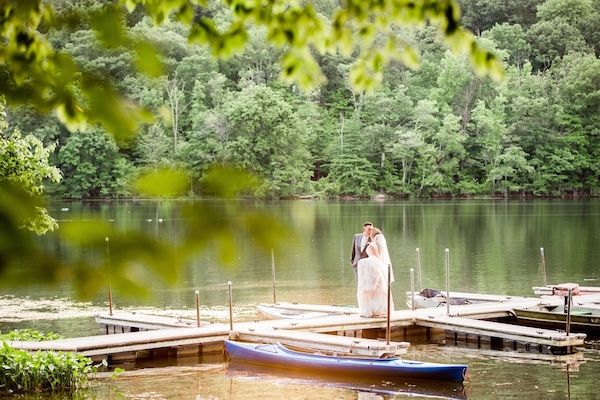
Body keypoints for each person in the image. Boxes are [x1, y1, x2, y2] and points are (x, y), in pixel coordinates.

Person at [356, 227, 395, 317]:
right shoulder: (376, 245)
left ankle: (374, 310)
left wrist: (362, 262)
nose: (369, 233)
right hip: (377, 268)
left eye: (371, 232)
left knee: (373, 291)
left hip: (374, 269)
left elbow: (374, 258)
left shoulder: (373, 245)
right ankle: (380, 310)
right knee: (378, 291)